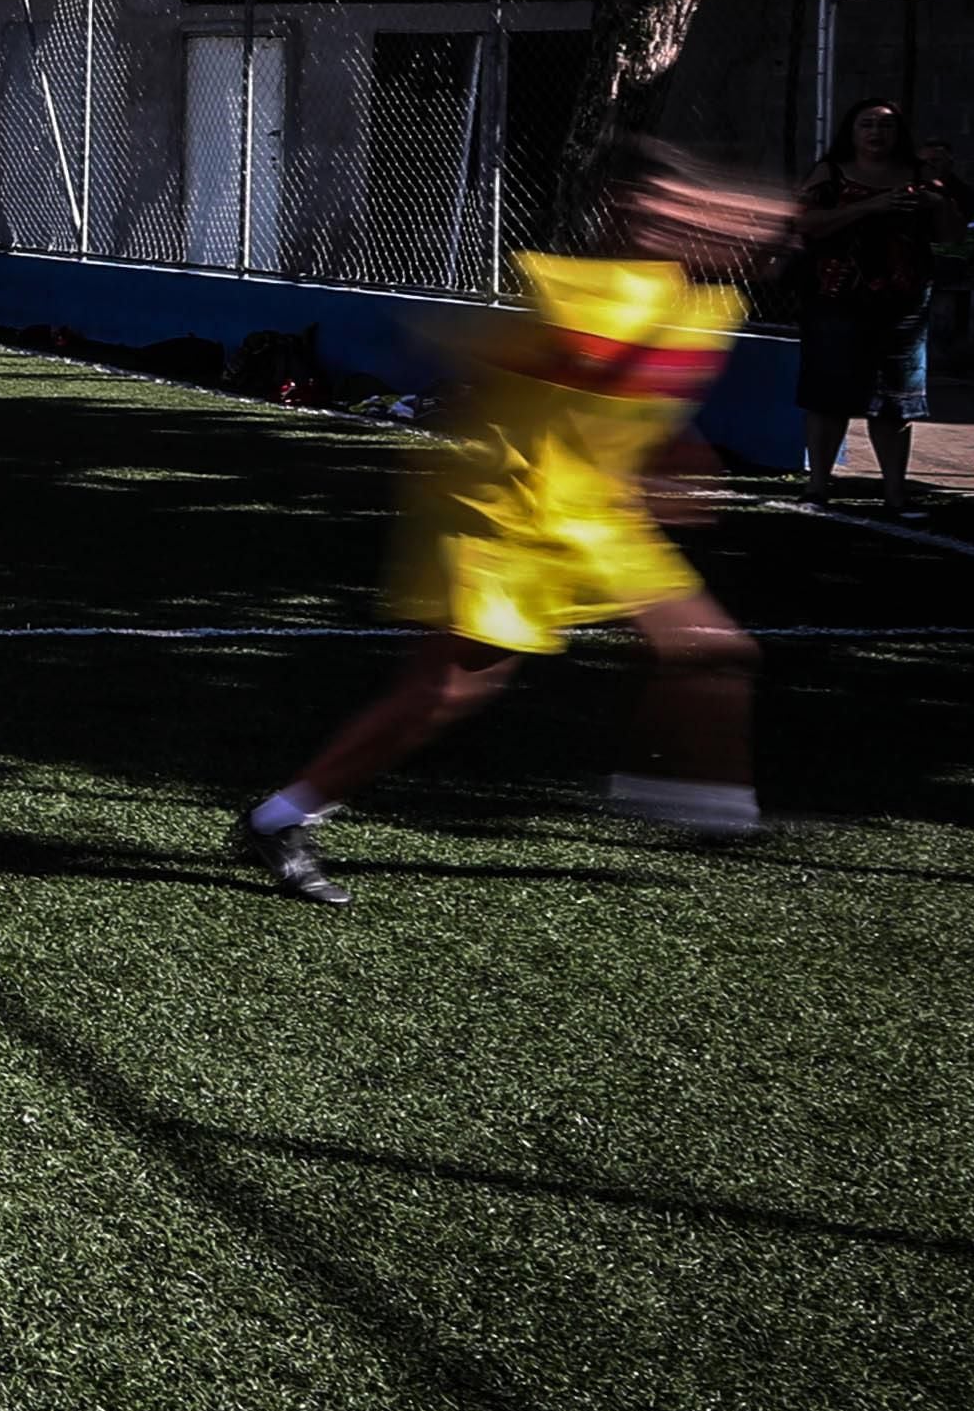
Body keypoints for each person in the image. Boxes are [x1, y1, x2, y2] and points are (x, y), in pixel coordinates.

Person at [231, 141, 794, 902]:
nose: (678, 222)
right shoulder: (591, 291)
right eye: (659, 209)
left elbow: (634, 397)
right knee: (448, 693)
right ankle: (278, 818)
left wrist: (680, 457)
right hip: (503, 509)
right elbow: (582, 355)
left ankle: (697, 806)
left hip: (597, 513)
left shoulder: (702, 308)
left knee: (715, 650)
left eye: (687, 209)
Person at [793, 99, 963, 509]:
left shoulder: (921, 177)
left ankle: (894, 491)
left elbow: (952, 236)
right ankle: (818, 484)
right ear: (851, 132)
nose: (876, 133)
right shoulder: (830, 172)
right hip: (836, 298)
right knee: (828, 393)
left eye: (885, 126)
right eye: (866, 124)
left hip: (902, 304)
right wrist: (870, 206)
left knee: (895, 399)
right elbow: (805, 223)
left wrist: (940, 203)